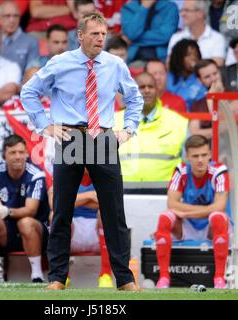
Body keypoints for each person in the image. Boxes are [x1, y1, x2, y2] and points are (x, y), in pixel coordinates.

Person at [21, 12, 143, 291]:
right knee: (62, 211)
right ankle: (56, 278)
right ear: (80, 35)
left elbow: (135, 97)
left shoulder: (114, 65)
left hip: (102, 137)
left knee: (114, 213)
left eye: (104, 34)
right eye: (95, 34)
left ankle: (124, 279)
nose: (101, 38)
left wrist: (130, 128)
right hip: (71, 136)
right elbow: (29, 91)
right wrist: (45, 126)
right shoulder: (60, 63)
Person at [154, 134, 231, 289]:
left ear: (210, 154)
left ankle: (219, 279)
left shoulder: (219, 171)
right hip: (188, 225)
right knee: (164, 217)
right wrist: (206, 209)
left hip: (212, 227)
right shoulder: (181, 170)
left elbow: (220, 206)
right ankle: (163, 279)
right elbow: (172, 203)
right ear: (188, 157)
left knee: (217, 217)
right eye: (195, 156)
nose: (200, 160)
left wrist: (187, 213)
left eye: (204, 155)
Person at [0, 134, 49, 283]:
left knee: (25, 222)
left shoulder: (36, 174)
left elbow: (31, 210)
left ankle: (37, 275)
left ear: (27, 153)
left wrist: (7, 211)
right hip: (7, 231)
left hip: (36, 230)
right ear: (4, 154)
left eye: (21, 152)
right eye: (12, 153)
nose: (18, 157)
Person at [115, 72, 188, 191]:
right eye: (141, 87)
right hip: (121, 192)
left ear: (157, 91)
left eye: (151, 86)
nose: (146, 90)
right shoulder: (112, 121)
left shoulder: (179, 122)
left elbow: (188, 163)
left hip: (167, 194)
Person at [47, 168, 114, 288]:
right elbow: (54, 203)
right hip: (73, 230)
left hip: (96, 232)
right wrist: (90, 196)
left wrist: (70, 200)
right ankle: (62, 277)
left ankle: (105, 275)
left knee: (105, 213)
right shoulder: (64, 174)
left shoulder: (102, 175)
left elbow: (108, 202)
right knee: (54, 216)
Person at [167, 0, 226, 66]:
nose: (182, 14)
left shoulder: (217, 39)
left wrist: (188, 65)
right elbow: (169, 65)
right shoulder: (176, 38)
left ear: (200, 13)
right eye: (182, 10)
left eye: (187, 10)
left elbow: (217, 65)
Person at [0, 1, 39, 76]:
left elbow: (32, 73)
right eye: (7, 16)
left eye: (15, 16)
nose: (12, 20)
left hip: (21, 85)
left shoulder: (31, 41)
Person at [167, 39, 206, 111]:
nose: (193, 58)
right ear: (178, 57)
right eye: (188, 55)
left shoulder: (201, 78)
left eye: (196, 55)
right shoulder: (168, 77)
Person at [190, 59, 225, 139]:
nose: (213, 79)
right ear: (200, 80)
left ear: (220, 72)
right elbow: (194, 132)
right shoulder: (198, 105)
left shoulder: (235, 94)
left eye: (215, 73)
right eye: (207, 77)